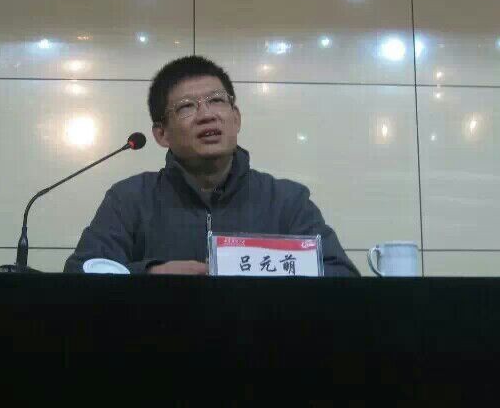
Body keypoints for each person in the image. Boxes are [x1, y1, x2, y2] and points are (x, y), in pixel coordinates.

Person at [64, 56, 359, 277]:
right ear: (161, 134)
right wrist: (151, 274)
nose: (206, 115)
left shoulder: (287, 201)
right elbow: (81, 273)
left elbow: (342, 277)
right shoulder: (129, 199)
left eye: (217, 101)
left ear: (236, 118)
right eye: (186, 106)